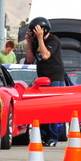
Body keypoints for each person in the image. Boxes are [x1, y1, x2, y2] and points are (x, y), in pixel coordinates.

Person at [25, 16, 64, 146]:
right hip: (42, 79)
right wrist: (30, 42)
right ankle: (43, 135)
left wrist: (41, 38)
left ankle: (53, 137)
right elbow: (30, 59)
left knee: (52, 108)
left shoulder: (54, 40)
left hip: (54, 78)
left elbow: (46, 55)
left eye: (35, 31)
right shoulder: (36, 41)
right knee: (41, 109)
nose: (34, 34)